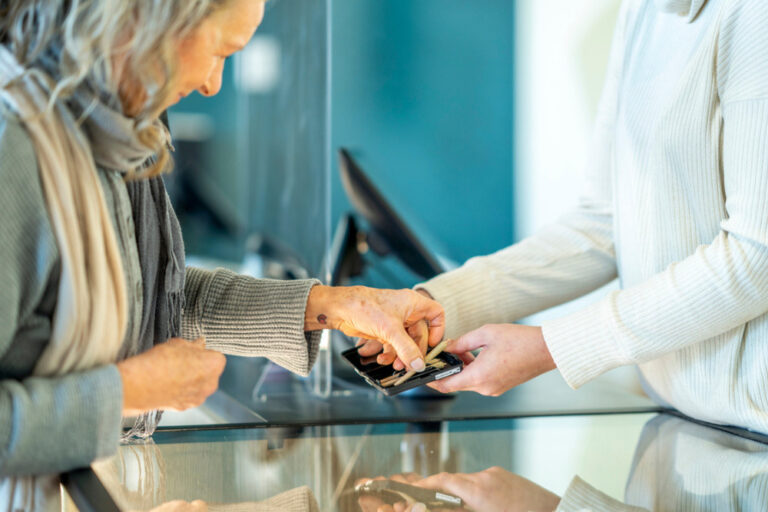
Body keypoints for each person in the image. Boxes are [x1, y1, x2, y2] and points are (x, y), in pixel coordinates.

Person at [0, 0, 443, 509]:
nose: (213, 84)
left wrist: (340, 305)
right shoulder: (13, 143)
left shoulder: (118, 132)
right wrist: (123, 392)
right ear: (144, 24)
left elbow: (155, 293)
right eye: (220, 51)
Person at [392, 0, 768, 434]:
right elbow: (604, 223)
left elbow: (757, 257)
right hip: (680, 421)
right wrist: (440, 304)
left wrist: (554, 347)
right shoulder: (641, 11)